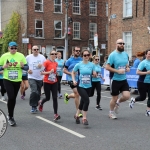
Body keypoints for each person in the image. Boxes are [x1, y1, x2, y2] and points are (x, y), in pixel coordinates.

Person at [0, 41, 28, 126]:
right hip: (7, 79)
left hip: (17, 80)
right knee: (11, 96)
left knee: (13, 99)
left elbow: (27, 67)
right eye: (12, 48)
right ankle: (11, 117)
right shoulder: (4, 56)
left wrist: (23, 66)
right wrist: (2, 67)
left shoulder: (21, 56)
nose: (13, 49)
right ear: (9, 48)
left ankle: (9, 114)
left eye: (15, 48)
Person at [105, 39, 130, 119]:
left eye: (123, 43)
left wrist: (127, 67)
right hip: (115, 79)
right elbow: (107, 67)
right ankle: (111, 113)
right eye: (120, 43)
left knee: (126, 96)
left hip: (123, 79)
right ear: (116, 44)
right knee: (114, 98)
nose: (122, 44)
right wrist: (117, 71)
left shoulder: (125, 54)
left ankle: (118, 103)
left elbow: (126, 64)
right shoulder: (112, 55)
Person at [72, 49, 96, 125]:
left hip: (89, 86)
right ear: (82, 56)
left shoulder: (92, 65)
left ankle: (76, 115)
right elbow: (73, 72)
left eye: (88, 55)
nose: (86, 56)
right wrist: (74, 80)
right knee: (87, 101)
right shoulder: (79, 65)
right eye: (85, 55)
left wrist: (94, 74)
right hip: (80, 86)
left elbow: (94, 72)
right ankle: (84, 118)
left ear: (90, 56)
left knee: (82, 101)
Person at [38, 50, 60, 121]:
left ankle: (55, 114)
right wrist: (49, 72)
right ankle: (41, 102)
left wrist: (56, 73)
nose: (54, 55)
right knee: (47, 98)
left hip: (54, 82)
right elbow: (41, 72)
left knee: (55, 98)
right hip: (47, 82)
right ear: (50, 55)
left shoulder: (56, 63)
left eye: (55, 54)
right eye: (52, 54)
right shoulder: (46, 62)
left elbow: (55, 71)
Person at [129, 49, 150, 116]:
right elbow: (137, 72)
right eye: (149, 54)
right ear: (146, 55)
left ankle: (148, 111)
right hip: (142, 82)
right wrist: (147, 72)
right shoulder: (143, 63)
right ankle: (133, 100)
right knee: (143, 97)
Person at [63, 46, 82, 117]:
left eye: (79, 51)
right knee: (77, 94)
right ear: (73, 51)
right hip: (71, 79)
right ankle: (78, 112)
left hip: (80, 80)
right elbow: (64, 70)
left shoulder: (81, 59)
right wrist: (71, 73)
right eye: (76, 51)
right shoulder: (69, 60)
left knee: (78, 94)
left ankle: (68, 96)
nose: (78, 52)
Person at [26, 45, 46, 113]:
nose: (36, 51)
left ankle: (37, 103)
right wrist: (28, 70)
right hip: (31, 77)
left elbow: (45, 66)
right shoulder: (28, 57)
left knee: (38, 93)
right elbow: (25, 66)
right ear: (32, 50)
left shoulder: (42, 57)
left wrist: (42, 66)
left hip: (40, 77)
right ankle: (33, 106)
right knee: (34, 91)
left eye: (37, 49)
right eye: (34, 49)